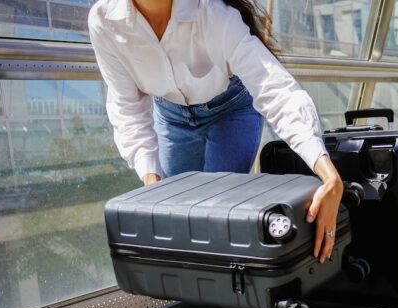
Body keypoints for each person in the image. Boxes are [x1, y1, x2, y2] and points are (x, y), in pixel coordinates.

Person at [88, 0, 343, 263]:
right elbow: (126, 107)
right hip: (170, 116)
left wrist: (327, 174)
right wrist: (153, 188)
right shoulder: (104, 20)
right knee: (177, 217)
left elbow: (274, 89)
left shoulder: (211, 13)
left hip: (230, 109)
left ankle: (229, 294)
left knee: (217, 217)